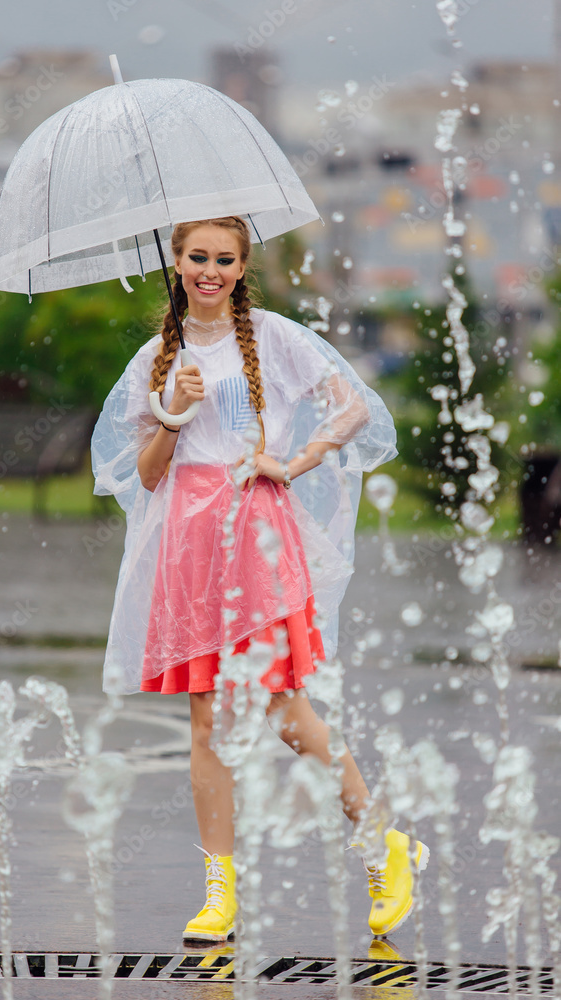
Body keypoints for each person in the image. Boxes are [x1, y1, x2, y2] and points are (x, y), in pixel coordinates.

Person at [91, 215, 429, 944]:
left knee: (283, 711)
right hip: (188, 541)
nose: (208, 271)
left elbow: (353, 407)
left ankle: (382, 846)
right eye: (196, 258)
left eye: (223, 259)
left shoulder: (272, 337)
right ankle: (218, 894)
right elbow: (145, 477)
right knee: (206, 720)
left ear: (241, 268)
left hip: (258, 533)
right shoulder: (158, 358)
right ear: (176, 264)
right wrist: (174, 415)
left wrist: (294, 460)